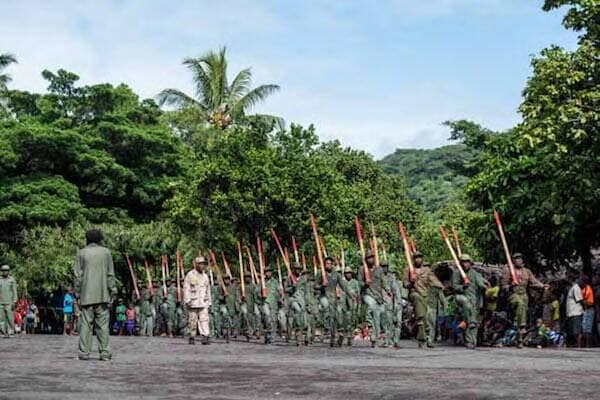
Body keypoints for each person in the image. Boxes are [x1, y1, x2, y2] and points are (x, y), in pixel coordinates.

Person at [73, 229, 116, 361]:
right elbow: (110, 274)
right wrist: (112, 290)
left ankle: (84, 353)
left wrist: (77, 293)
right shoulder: (106, 253)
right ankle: (105, 353)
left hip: (86, 295)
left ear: (87, 239)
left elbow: (78, 276)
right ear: (100, 239)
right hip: (103, 294)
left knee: (86, 324)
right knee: (103, 325)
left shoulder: (82, 253)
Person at [500, 253, 548, 348]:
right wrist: (511, 285)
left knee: (522, 313)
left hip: (524, 296)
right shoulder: (508, 270)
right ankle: (522, 326)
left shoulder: (527, 271)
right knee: (519, 304)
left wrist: (542, 285)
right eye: (517, 259)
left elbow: (533, 282)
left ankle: (520, 338)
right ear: (513, 260)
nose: (519, 260)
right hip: (513, 295)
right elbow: (503, 286)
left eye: (520, 258)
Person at [404, 252, 444, 349]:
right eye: (416, 258)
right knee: (421, 317)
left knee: (426, 318)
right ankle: (422, 340)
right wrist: (410, 282)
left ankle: (427, 339)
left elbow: (433, 280)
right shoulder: (408, 269)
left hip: (424, 296)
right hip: (414, 294)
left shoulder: (427, 270)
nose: (418, 259)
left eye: (419, 257)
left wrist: (442, 287)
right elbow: (405, 283)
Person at [452, 254, 487, 349]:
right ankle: (468, 340)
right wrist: (463, 286)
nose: (465, 264)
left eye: (467, 261)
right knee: (468, 317)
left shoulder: (475, 274)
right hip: (462, 298)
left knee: (473, 321)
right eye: (463, 262)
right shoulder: (457, 273)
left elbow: (481, 284)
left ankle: (472, 341)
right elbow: (454, 287)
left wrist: (485, 286)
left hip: (474, 300)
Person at [359, 252, 389, 348]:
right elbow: (359, 283)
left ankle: (383, 339)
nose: (370, 260)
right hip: (367, 294)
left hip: (378, 296)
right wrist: (365, 283)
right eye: (368, 258)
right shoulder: (362, 269)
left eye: (372, 257)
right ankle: (372, 333)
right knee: (372, 309)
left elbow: (384, 281)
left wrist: (387, 290)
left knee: (382, 315)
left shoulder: (379, 270)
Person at [183, 256, 211, 345]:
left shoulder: (205, 276)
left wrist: (209, 302)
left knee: (204, 319)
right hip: (193, 301)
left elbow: (208, 289)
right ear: (196, 264)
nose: (202, 266)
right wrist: (187, 300)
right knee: (192, 320)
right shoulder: (190, 275)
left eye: (203, 264)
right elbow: (186, 288)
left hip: (203, 301)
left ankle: (205, 336)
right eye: (200, 264)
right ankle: (192, 336)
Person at [0, 265, 18, 338]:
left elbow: (14, 291)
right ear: (1, 271)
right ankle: (3, 332)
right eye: (3, 270)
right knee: (1, 319)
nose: (5, 272)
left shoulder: (12, 280)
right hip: (0, 302)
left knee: (10, 318)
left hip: (9, 302)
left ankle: (11, 332)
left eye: (6, 270)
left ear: (9, 271)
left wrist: (14, 301)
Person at [565, 277, 583, 348]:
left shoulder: (576, 288)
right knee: (572, 330)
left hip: (576, 312)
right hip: (571, 312)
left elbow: (580, 300)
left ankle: (579, 345)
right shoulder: (572, 288)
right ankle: (575, 344)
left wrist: (584, 309)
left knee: (576, 331)